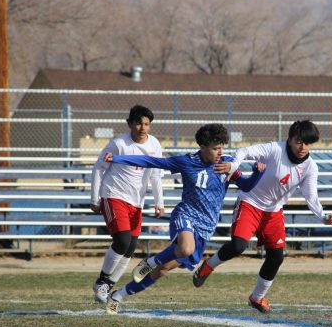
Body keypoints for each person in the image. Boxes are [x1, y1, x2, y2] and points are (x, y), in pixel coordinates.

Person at [103, 124, 265, 314]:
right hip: (186, 215)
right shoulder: (187, 161)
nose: (220, 152)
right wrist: (118, 158)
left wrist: (257, 173)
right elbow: (151, 161)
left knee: (163, 269)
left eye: (222, 147)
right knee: (185, 248)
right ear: (202, 147)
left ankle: (118, 295)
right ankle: (149, 262)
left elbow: (246, 186)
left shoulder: (226, 164)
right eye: (215, 148)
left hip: (206, 227)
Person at [192, 120, 332, 313]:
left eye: (308, 143)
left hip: (273, 212)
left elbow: (311, 196)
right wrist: (234, 165)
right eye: (299, 142)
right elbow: (244, 150)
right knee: (238, 246)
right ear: (290, 140)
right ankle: (208, 266)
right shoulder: (275, 149)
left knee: (276, 257)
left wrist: (323, 216)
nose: (303, 147)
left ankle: (257, 298)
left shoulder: (310, 167)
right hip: (250, 203)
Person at [90, 105, 164, 303]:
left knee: (130, 247)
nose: (142, 127)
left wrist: (159, 202)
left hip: (136, 202)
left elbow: (156, 174)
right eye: (138, 123)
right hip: (114, 195)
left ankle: (108, 286)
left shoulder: (155, 145)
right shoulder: (118, 144)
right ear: (129, 123)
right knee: (122, 241)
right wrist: (95, 198)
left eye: (147, 124)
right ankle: (101, 282)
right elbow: (98, 168)